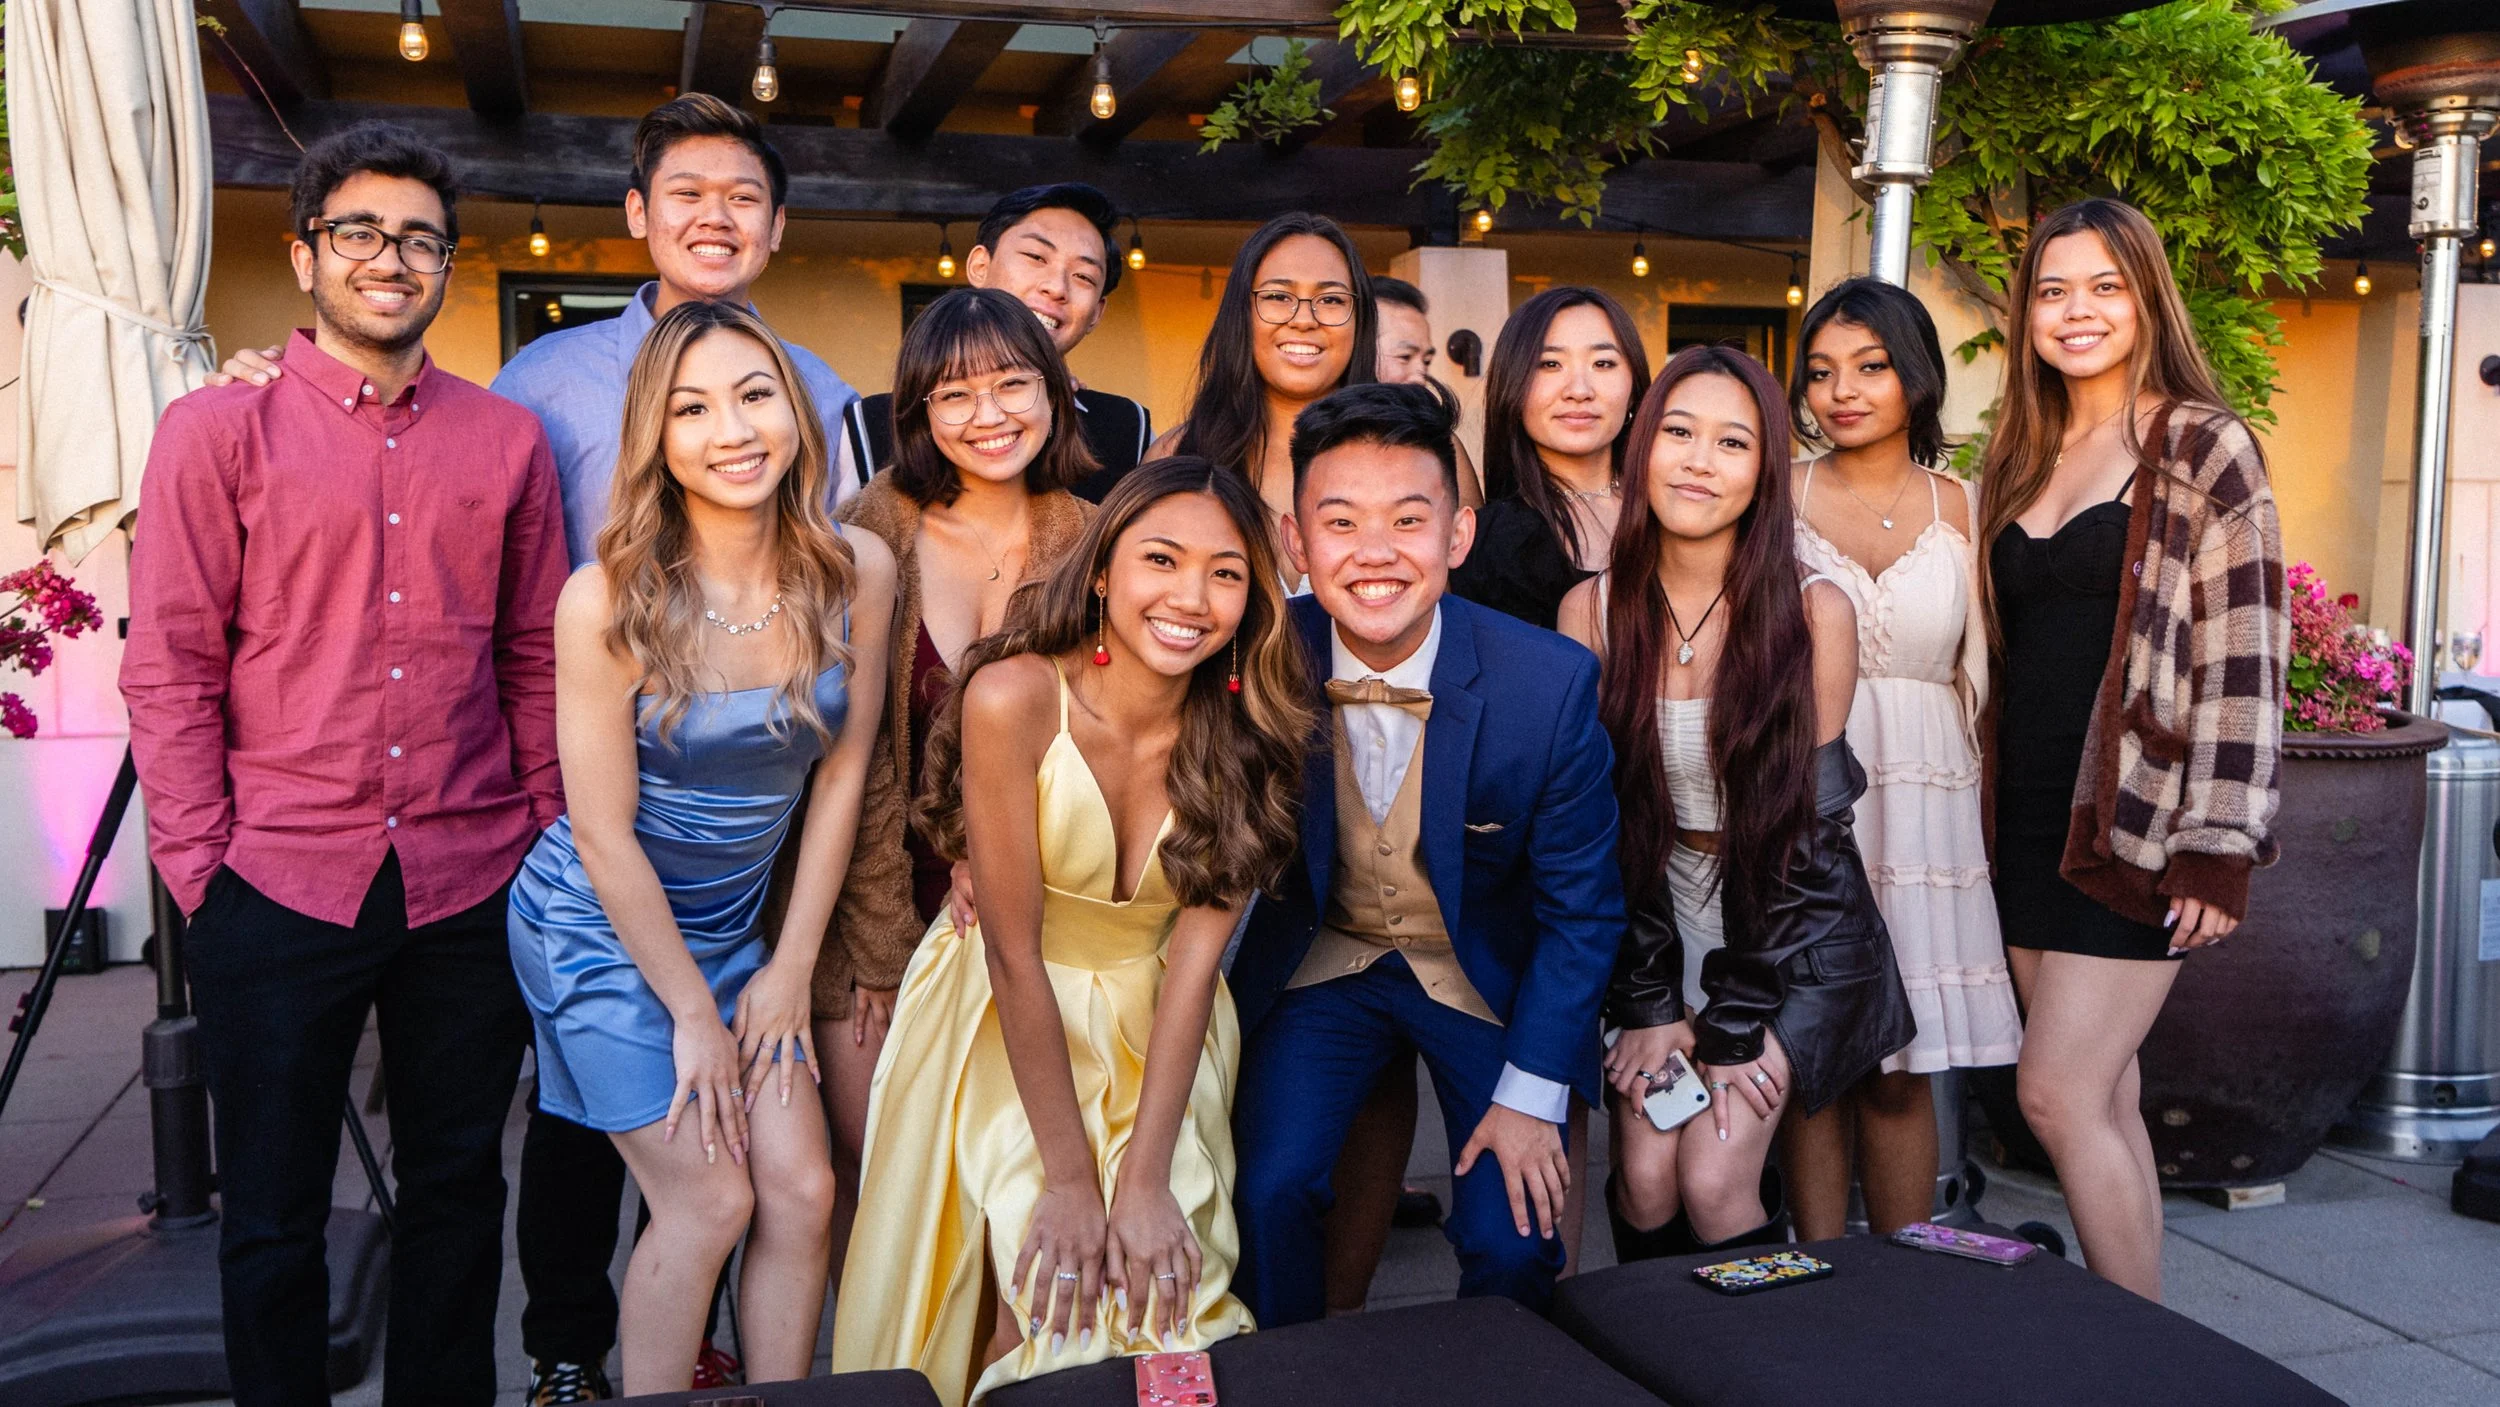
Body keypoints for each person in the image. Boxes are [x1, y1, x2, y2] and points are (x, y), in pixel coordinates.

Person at [120, 122, 568, 1407]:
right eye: (360, 231)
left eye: (420, 238)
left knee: (458, 1188)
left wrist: (542, 832)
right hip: (273, 879)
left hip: (471, 875)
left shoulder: (506, 441)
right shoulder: (216, 431)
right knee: (271, 1214)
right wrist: (201, 872)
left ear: (446, 266)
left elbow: (535, 654)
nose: (391, 257)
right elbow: (171, 662)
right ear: (305, 254)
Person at [832, 459, 1308, 1406]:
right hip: (1005, 1014)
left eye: (1225, 573)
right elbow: (1011, 953)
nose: (1190, 597)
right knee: (1047, 1284)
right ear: (1099, 572)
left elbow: (1194, 967)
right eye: (1161, 559)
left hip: (1162, 1025)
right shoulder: (1013, 698)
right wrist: (1069, 1180)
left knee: (1172, 1287)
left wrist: (1143, 1181)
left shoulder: (1253, 730)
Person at [508, 298, 893, 1394]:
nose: (732, 430)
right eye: (693, 408)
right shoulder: (606, 599)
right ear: (656, 437)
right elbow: (600, 832)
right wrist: (690, 1014)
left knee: (804, 1193)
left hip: (737, 929)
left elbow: (842, 776)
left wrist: (789, 968)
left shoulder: (857, 568)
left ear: (795, 414)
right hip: (599, 926)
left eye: (754, 395)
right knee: (709, 1198)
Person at [1228, 381, 1624, 1328]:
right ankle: (1291, 1375)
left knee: (1515, 1235)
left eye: (1409, 520)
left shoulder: (1547, 682)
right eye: (1340, 522)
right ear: (1295, 542)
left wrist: (1533, 1093)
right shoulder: (1250, 659)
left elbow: (1583, 911)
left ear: (1458, 535)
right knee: (1265, 1191)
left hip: (1480, 974)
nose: (1375, 553)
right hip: (1320, 966)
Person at [1977, 198, 2286, 1300]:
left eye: (2105, 286)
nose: (2078, 311)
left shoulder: (2203, 444)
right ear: (2026, 314)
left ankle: (2136, 1354)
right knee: (2104, 1096)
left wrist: (2220, 843)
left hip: (2137, 819)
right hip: (2026, 816)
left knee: (2055, 1093)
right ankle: (2154, 1337)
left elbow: (2246, 652)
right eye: (2053, 290)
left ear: (2148, 299)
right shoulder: (2016, 453)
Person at [1556, 345, 1913, 1260]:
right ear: (1642, 446)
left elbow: (1806, 841)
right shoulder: (1591, 611)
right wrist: (1647, 1002)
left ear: (1764, 473)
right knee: (1645, 1180)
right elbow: (1600, 826)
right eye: (1678, 432)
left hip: (1790, 931)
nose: (1698, 462)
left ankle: (1769, 1339)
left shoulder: (1813, 611)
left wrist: (1735, 1022)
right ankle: (1663, 1340)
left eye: (1732, 442)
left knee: (1714, 1179)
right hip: (1658, 924)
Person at [809, 286, 1099, 1292]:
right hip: (874, 898)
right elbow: (851, 761)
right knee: (885, 1178)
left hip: (1044, 906)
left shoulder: (1095, 539)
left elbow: (1107, 746)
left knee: (1010, 1193)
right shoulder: (868, 530)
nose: (988, 415)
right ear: (918, 412)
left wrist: (1002, 856)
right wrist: (881, 944)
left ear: (1053, 391)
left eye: (1012, 384)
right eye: (954, 394)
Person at [1778, 277, 2024, 1240]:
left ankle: (1905, 1279)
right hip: (1812, 793)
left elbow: (1993, 673)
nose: (1842, 391)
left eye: (1870, 366)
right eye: (1822, 371)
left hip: (1927, 804)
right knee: (1816, 1053)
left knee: (1901, 1066)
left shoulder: (1965, 504)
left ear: (1914, 375)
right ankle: (1817, 1279)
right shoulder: (1777, 494)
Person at [843, 184, 1151, 503]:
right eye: (1036, 257)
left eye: (1083, 276)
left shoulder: (1129, 429)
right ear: (980, 266)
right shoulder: (868, 426)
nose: (1057, 288)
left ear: (1097, 313)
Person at [1151, 211, 1378, 536]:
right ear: (1241, 314)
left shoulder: (1420, 451)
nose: (1304, 320)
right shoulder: (1175, 453)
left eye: (1330, 299)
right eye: (1277, 297)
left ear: (1360, 319)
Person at [1452, 287, 1652, 629]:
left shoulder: (1672, 511)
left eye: (1603, 363)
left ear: (1634, 388)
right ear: (1513, 385)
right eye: (1550, 364)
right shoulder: (1486, 544)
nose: (1579, 390)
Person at [1371, 276, 1484, 507]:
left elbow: (1472, 522)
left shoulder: (1439, 441)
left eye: (1426, 360)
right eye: (1405, 357)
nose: (1419, 375)